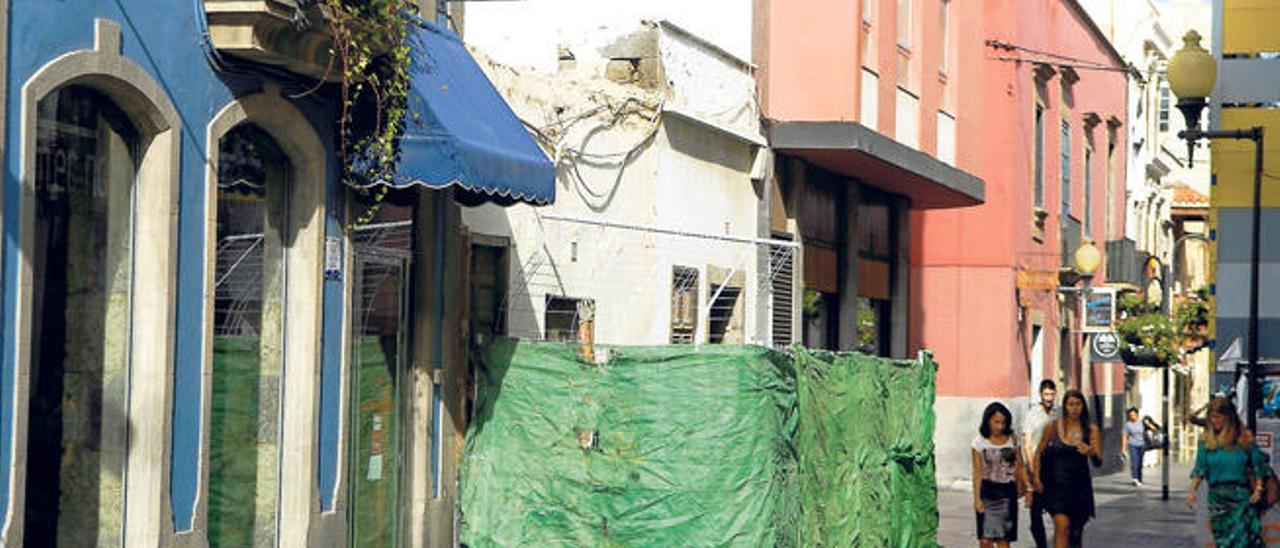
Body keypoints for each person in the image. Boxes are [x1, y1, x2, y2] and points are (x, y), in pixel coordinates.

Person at [1187, 397, 1270, 547]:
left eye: (1218, 417)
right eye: (1211, 417)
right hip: (1217, 500)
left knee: (1240, 541)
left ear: (1229, 418)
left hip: (1241, 498)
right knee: (1223, 542)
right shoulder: (1206, 441)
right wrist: (1192, 491)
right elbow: (1200, 469)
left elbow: (1258, 465)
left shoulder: (1244, 438)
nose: (1214, 421)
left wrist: (1258, 488)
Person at [1033, 389, 1100, 548]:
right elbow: (1038, 452)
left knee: (1076, 534)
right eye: (1070, 404)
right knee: (1062, 527)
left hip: (1079, 487)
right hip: (1057, 487)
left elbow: (1098, 461)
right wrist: (1036, 477)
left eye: (1078, 404)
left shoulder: (1090, 430)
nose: (1074, 408)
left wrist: (1090, 451)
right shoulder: (1053, 427)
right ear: (1065, 406)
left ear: (1083, 406)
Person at [973, 402, 1026, 547]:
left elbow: (1019, 464)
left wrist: (1024, 486)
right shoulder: (979, 442)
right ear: (988, 420)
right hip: (987, 492)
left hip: (1007, 494)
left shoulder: (1012, 439)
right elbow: (977, 473)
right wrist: (977, 499)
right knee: (985, 540)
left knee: (1004, 540)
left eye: (1003, 422)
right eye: (996, 422)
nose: (1000, 426)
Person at [1023, 379, 1058, 548]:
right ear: (1040, 394)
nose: (1049, 398)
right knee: (1035, 512)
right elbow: (1027, 443)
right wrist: (1031, 467)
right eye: (1046, 394)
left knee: (1056, 509)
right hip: (1035, 465)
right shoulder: (1033, 414)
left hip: (1054, 467)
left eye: (1051, 394)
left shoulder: (1058, 414)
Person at [1121, 407, 1147, 486]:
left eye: (1133, 415)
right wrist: (1123, 448)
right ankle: (1134, 478)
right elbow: (1124, 436)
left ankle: (1139, 478)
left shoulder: (1142, 423)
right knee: (1134, 461)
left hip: (1142, 445)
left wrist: (1149, 424)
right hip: (1133, 445)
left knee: (1140, 463)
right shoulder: (1127, 425)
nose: (1132, 417)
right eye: (1130, 415)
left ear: (1137, 415)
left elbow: (1154, 429)